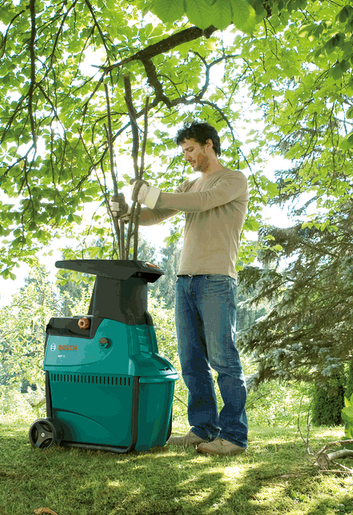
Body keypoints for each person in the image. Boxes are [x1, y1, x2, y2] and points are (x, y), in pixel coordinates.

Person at [109, 121, 250, 456]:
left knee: (223, 358)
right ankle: (203, 429)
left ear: (208, 145)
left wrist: (152, 193)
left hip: (216, 279)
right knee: (191, 360)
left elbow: (203, 202)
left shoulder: (233, 179)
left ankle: (234, 436)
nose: (186, 156)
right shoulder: (188, 184)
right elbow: (157, 213)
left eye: (190, 149)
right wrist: (128, 212)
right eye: (183, 151)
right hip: (185, 280)